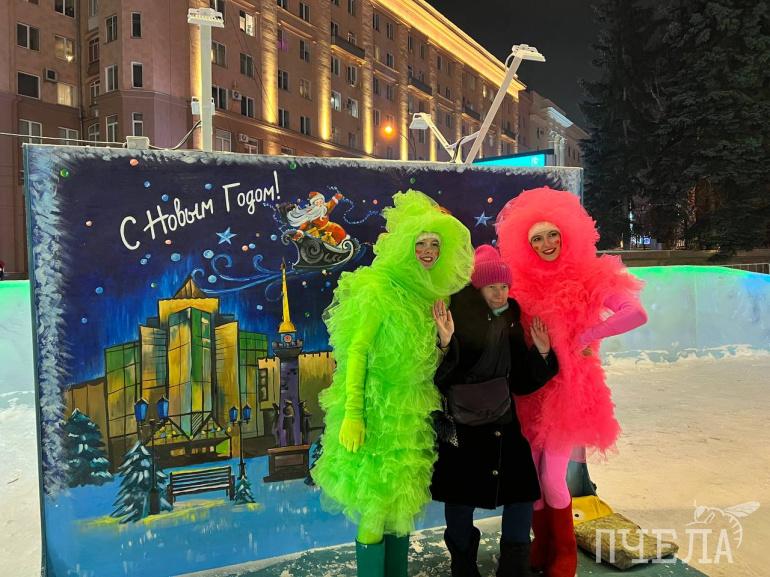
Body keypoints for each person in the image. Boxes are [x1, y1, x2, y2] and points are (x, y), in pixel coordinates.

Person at [311, 190, 474, 577]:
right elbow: (357, 352)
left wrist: (445, 340)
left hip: (412, 411)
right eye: (421, 243)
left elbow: (427, 361)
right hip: (377, 410)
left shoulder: (430, 297)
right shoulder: (379, 289)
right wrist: (354, 413)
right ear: (405, 246)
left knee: (401, 506)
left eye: (435, 244)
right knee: (375, 507)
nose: (428, 251)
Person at [496, 187, 648, 577]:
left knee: (552, 477)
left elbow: (634, 313)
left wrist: (585, 336)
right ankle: (542, 544)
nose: (546, 244)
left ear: (567, 235)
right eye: (536, 238)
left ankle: (564, 551)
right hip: (530, 391)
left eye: (552, 235)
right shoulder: (518, 281)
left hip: (568, 393)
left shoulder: (588, 274)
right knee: (531, 478)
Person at [431, 245, 559, 577]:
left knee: (522, 492)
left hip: (504, 423)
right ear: (478, 288)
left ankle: (515, 567)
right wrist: (445, 344)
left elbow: (521, 380)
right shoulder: (455, 317)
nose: (500, 293)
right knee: (460, 500)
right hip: (463, 428)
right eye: (492, 287)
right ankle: (463, 566)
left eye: (504, 286)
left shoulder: (511, 318)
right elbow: (439, 378)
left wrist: (543, 355)